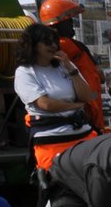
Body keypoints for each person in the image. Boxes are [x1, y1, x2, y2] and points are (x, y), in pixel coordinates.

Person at [14, 22, 97, 174]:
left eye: (55, 42)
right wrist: (74, 106)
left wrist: (70, 67)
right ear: (33, 45)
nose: (53, 46)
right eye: (47, 42)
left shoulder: (64, 65)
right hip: (51, 138)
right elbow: (45, 104)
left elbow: (86, 96)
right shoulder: (25, 72)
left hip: (82, 133)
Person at [37, 0, 108, 135]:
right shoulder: (61, 46)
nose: (72, 24)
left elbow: (97, 75)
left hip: (90, 107)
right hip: (83, 111)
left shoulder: (73, 45)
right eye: (68, 20)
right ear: (57, 24)